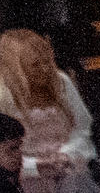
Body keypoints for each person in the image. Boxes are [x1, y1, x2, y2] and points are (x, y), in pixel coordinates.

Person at [0, 26, 90, 159]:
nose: (45, 68)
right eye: (35, 64)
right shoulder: (3, 96)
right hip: (23, 171)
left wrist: (67, 153)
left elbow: (84, 127)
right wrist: (35, 165)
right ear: (17, 68)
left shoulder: (61, 81)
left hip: (68, 164)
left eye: (47, 61)